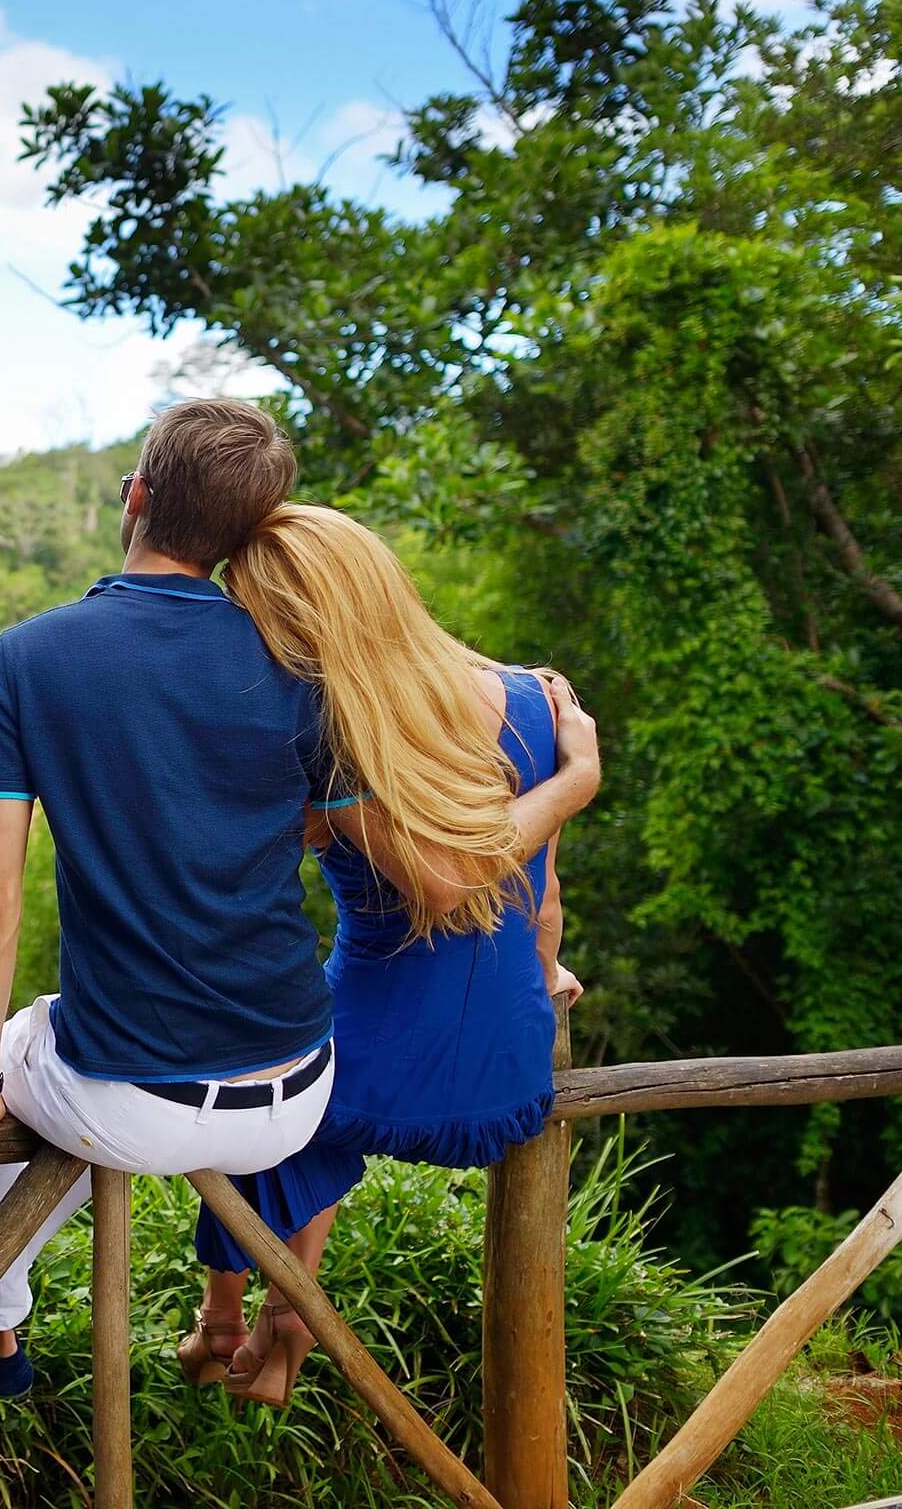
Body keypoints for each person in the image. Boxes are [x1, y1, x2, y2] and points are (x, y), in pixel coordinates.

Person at [0, 398, 600, 1401]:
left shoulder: (23, 660)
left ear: (135, 496)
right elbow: (444, 876)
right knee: (54, 1069)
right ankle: (108, 1308)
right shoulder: (302, 677)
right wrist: (569, 782)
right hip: (297, 1088)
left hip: (135, 1102)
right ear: (243, 533)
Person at [177, 502, 600, 1409]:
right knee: (296, 1094)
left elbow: (444, 885)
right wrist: (544, 971)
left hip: (391, 1065)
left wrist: (578, 784)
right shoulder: (530, 699)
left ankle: (253, 1327)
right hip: (512, 1063)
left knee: (267, 1101)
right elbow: (545, 895)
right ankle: (259, 1334)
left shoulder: (335, 735)